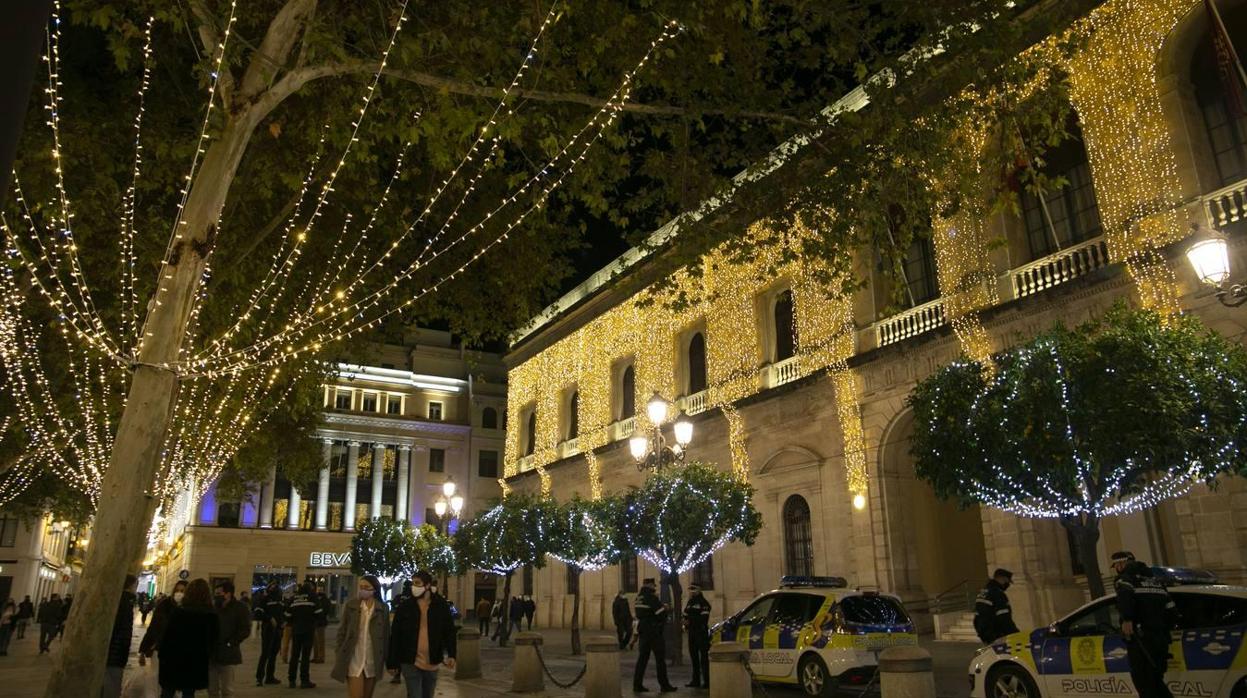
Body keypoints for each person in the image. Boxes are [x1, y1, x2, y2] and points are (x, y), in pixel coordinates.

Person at [1112, 551, 1176, 698]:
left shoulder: (1125, 580)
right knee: (1155, 680)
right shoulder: (1156, 581)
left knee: (1145, 684)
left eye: (1116, 565)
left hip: (1141, 640)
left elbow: (1124, 599)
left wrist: (1127, 619)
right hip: (1161, 639)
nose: (1116, 568)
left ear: (1122, 563)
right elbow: (1171, 610)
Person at [387, 570, 457, 698]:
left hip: (432, 660)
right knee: (414, 694)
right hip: (410, 660)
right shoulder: (405, 607)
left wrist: (452, 654)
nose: (414, 586)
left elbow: (449, 631)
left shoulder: (440, 605)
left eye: (417, 583)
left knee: (428, 694)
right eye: (413, 583)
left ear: (428, 585)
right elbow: (396, 635)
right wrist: (392, 661)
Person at [158, 578, 219, 698]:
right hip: (196, 661)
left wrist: (162, 654)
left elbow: (167, 637)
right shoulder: (211, 616)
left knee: (168, 692)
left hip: (173, 659)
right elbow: (213, 641)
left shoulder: (179, 613)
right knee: (189, 692)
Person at [332, 575, 390, 698]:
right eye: (361, 587)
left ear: (374, 589)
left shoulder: (382, 609)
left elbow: (385, 636)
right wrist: (339, 652)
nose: (363, 589)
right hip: (354, 658)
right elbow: (342, 631)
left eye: (366, 587)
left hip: (372, 659)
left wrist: (387, 660)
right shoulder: (351, 606)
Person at [633, 578, 677, 693]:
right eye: (653, 585)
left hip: (643, 630)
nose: (654, 588)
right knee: (660, 660)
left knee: (642, 659)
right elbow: (660, 614)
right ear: (650, 585)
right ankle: (664, 685)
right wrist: (666, 609)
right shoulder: (651, 598)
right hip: (653, 631)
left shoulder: (639, 598)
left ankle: (637, 684)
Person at [208, 580, 251, 698]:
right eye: (215, 593)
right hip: (212, 653)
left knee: (227, 689)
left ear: (228, 594)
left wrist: (231, 642)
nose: (217, 596)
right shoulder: (213, 608)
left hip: (229, 653)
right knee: (212, 689)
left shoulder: (240, 608)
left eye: (219, 593)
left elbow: (245, 629)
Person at [102, 575, 138, 698]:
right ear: (131, 585)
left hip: (114, 650)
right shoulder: (125, 602)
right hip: (116, 651)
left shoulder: (120, 600)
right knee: (112, 685)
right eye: (135, 585)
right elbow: (122, 629)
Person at [140, 580, 188, 664]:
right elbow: (153, 627)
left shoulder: (191, 608)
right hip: (161, 649)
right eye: (177, 590)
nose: (179, 593)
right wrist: (143, 650)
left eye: (182, 591)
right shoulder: (164, 605)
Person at [284, 582, 321, 689]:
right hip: (308, 630)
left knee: (294, 655)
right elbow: (319, 613)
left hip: (296, 630)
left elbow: (287, 615)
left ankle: (291, 680)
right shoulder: (312, 597)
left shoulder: (294, 598)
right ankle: (304, 680)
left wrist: (293, 622)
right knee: (305, 656)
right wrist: (314, 621)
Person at [973, 568, 1019, 644]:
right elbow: (1004, 617)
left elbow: (978, 615)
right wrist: (1014, 633)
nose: (1008, 585)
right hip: (997, 634)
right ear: (1002, 578)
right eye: (1007, 581)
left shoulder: (984, 591)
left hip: (985, 632)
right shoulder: (997, 593)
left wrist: (983, 634)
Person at [254, 582, 284, 686]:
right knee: (265, 653)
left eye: (275, 586)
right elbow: (258, 613)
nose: (273, 587)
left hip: (278, 630)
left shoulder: (280, 601)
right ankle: (259, 677)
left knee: (273, 654)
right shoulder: (265, 599)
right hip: (268, 629)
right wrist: (269, 618)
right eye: (271, 586)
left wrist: (282, 623)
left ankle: (270, 677)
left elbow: (283, 613)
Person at [683, 584, 711, 689]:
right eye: (690, 590)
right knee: (694, 658)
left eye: (693, 590)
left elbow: (703, 618)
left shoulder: (703, 603)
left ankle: (707, 681)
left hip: (701, 633)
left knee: (704, 658)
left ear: (699, 590)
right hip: (692, 633)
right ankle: (695, 680)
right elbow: (685, 613)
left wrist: (690, 621)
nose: (691, 592)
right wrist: (685, 621)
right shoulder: (690, 602)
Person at [313, 585, 331, 664]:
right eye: (318, 589)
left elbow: (326, 610)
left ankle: (321, 657)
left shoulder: (325, 600)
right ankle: (315, 656)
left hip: (321, 622)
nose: (319, 591)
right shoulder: (315, 599)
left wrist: (321, 615)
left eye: (321, 589)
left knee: (320, 641)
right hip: (315, 622)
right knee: (315, 641)